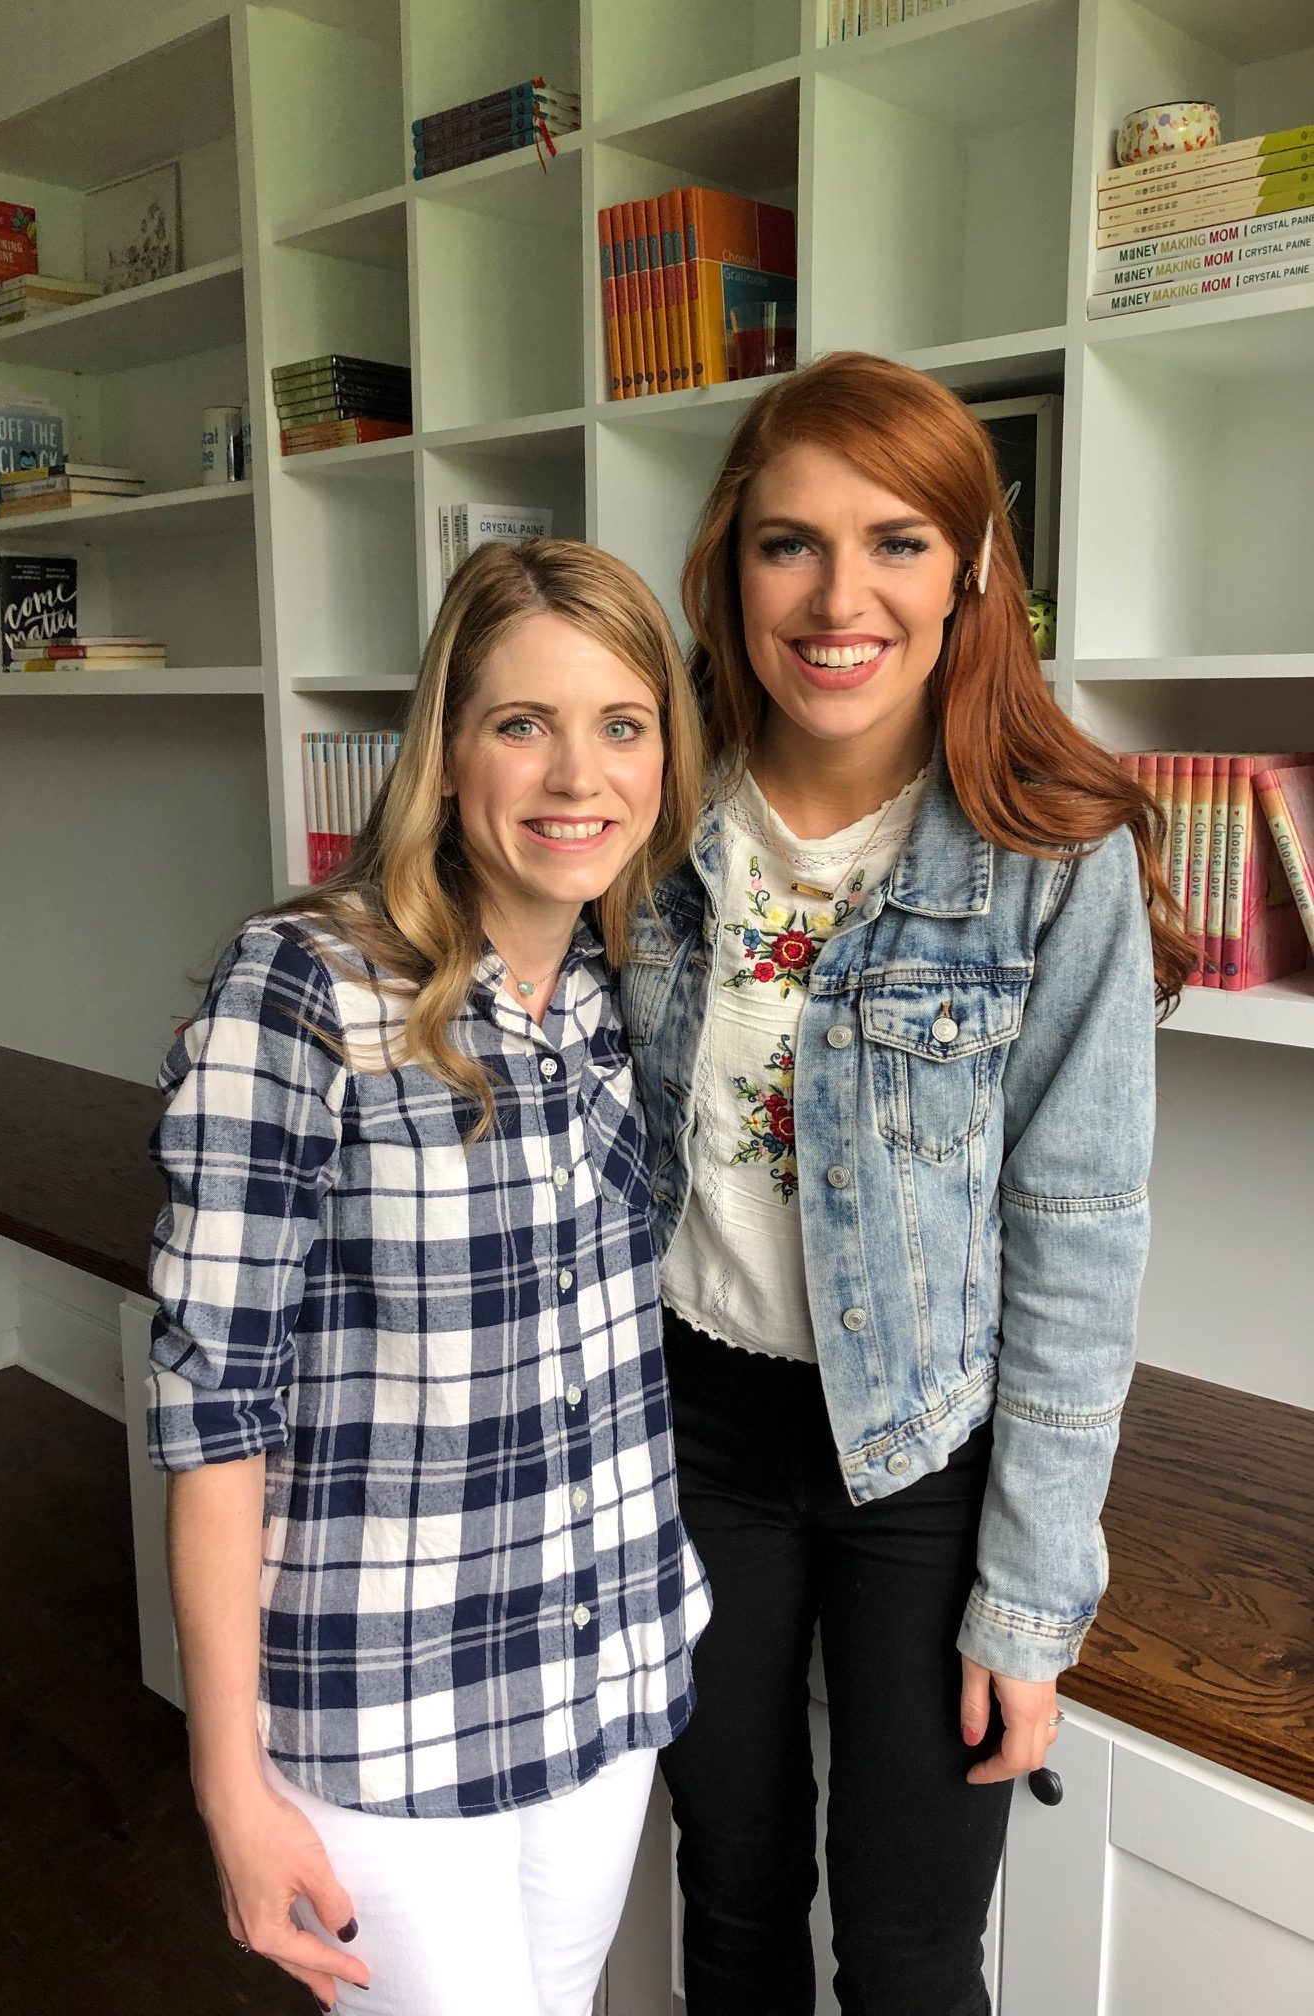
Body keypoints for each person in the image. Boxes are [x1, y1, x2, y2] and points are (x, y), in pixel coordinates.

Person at [619, 351, 1192, 2016]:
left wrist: (1029, 1601)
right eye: (789, 542)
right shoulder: (652, 829)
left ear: (972, 573)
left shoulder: (1050, 857)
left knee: (913, 1949)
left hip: (924, 1465)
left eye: (897, 542)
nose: (838, 595)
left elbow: (1078, 1251)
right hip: (689, 1437)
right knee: (725, 1897)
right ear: (731, 567)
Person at [145, 538, 710, 2016]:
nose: (574, 773)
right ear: (448, 753)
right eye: (522, 723)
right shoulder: (303, 987)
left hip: (602, 1672)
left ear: (665, 757)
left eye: (622, 725)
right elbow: (217, 1412)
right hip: (392, 1713)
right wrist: (229, 1782)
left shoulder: (616, 985)